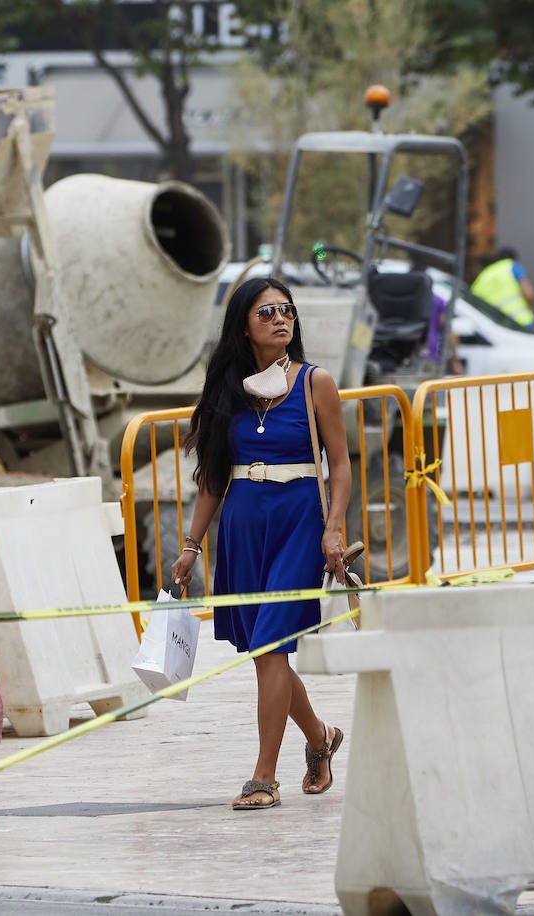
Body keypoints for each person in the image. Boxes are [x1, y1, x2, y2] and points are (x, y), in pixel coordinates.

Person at [170, 277, 351, 812]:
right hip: (244, 524)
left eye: (287, 310)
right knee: (263, 652)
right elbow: (212, 477)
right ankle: (319, 737)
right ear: (243, 326)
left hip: (299, 521)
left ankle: (262, 778)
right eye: (267, 311)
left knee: (272, 646)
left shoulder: (316, 382)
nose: (280, 318)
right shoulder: (227, 387)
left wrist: (334, 528)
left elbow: (339, 465)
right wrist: (191, 544)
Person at [469, 246, 534, 328]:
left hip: (496, 330)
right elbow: (529, 294)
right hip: (522, 324)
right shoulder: (511, 266)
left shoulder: (480, 280)